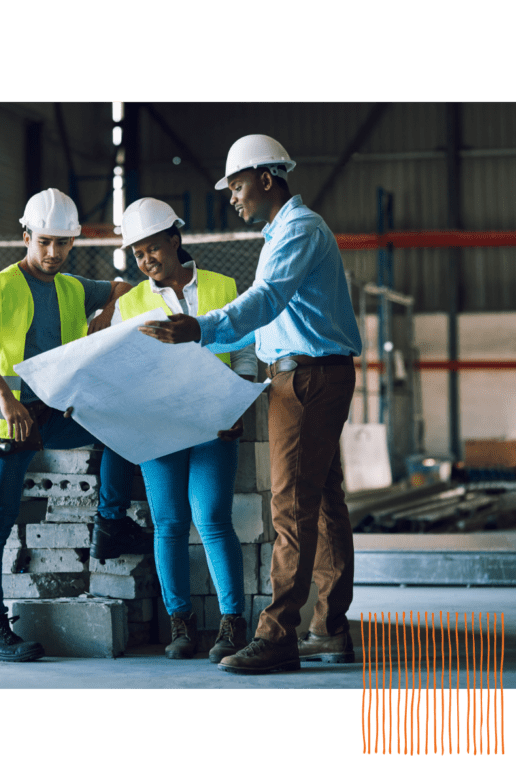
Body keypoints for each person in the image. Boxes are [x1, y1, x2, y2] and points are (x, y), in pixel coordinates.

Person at [139, 135, 362, 674]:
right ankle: (328, 629)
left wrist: (200, 327)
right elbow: (266, 318)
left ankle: (278, 635)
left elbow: (264, 302)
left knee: (290, 508)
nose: (232, 198)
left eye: (237, 186)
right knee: (324, 503)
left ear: (267, 178)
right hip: (307, 377)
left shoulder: (299, 231)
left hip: (306, 381)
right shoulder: (282, 233)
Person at [0, 188, 150, 662]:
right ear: (26, 236)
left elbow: (124, 288)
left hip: (49, 414)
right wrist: (5, 399)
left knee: (121, 427)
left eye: (63, 244)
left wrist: (104, 314)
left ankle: (110, 522)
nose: (53, 253)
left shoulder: (73, 287)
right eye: (44, 242)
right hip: (0, 424)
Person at [114, 197, 258, 662]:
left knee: (212, 518)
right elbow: (121, 366)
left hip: (213, 422)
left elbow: (244, 352)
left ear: (175, 240)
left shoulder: (223, 286)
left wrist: (239, 400)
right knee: (170, 524)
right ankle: (181, 625)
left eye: (151, 248)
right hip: (158, 427)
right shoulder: (132, 302)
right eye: (137, 254)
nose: (145, 260)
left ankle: (232, 623)